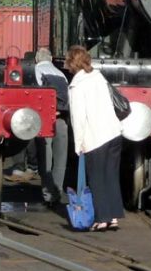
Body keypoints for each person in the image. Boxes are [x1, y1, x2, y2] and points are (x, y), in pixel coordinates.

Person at [65, 45, 124, 231]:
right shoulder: (99, 77)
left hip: (95, 137)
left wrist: (78, 144)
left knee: (96, 178)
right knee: (111, 176)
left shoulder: (76, 86)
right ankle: (113, 216)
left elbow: (78, 118)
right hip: (114, 133)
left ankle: (102, 219)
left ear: (71, 63)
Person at [35, 48, 69, 206]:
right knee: (60, 157)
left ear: (37, 59)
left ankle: (48, 195)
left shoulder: (36, 71)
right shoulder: (61, 74)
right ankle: (57, 193)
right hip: (61, 118)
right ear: (51, 59)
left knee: (46, 158)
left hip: (44, 120)